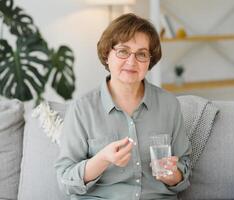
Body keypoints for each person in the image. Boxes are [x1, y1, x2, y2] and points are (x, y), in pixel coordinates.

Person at [55, 13, 191, 200]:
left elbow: (184, 170)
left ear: (150, 61)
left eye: (141, 54)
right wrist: (102, 160)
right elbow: (65, 181)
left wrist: (172, 175)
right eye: (123, 51)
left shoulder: (169, 105)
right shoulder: (81, 109)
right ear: (107, 55)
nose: (131, 61)